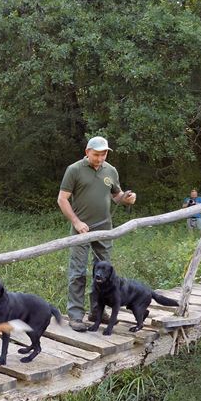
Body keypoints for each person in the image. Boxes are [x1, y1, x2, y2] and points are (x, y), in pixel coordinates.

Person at [57, 136, 136, 332]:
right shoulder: (74, 170)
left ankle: (96, 312)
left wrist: (127, 198)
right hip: (81, 230)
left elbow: (116, 195)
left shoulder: (111, 170)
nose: (100, 158)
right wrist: (77, 222)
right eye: (96, 154)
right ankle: (75, 316)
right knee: (78, 272)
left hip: (104, 229)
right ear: (87, 152)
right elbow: (62, 199)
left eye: (104, 154)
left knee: (104, 273)